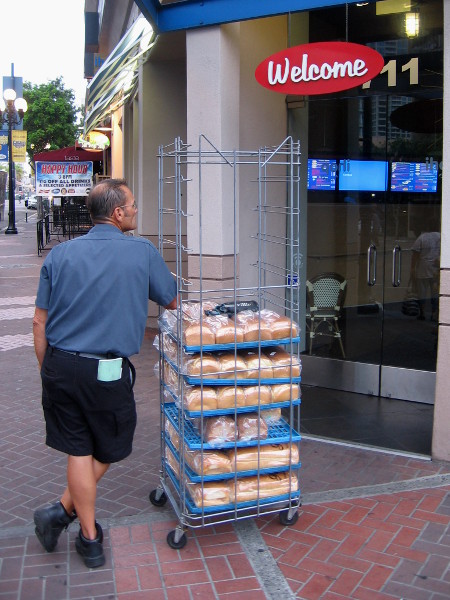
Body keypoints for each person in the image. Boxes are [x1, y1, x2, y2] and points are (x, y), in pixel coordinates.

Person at [32, 179, 177, 568]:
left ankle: (80, 531)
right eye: (131, 205)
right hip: (108, 370)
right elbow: (172, 298)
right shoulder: (141, 250)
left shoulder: (60, 255)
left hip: (61, 364)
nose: (134, 210)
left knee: (79, 449)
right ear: (117, 213)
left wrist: (49, 370)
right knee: (109, 446)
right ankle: (78, 529)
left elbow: (38, 321)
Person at [410, 217, 440, 321]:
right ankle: (434, 312)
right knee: (435, 293)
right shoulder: (440, 237)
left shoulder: (422, 238)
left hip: (423, 269)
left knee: (422, 292)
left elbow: (415, 254)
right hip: (436, 269)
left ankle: (422, 313)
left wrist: (412, 268)